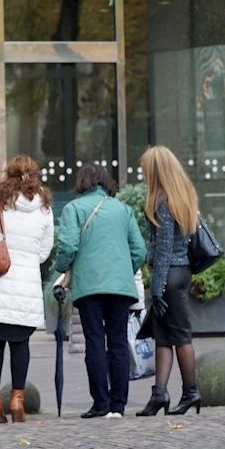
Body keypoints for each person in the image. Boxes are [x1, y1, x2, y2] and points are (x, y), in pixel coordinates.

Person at [53, 164, 147, 419]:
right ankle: (119, 405)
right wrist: (121, 270)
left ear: (81, 182)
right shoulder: (123, 210)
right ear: (106, 182)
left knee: (95, 341)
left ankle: (100, 403)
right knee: (117, 341)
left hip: (89, 286)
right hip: (120, 287)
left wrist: (61, 268)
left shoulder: (73, 208)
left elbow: (68, 245)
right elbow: (139, 250)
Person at [0, 155, 53, 424]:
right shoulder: (44, 206)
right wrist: (27, 260)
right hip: (26, 285)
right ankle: (17, 403)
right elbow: (44, 250)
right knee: (21, 344)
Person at [136, 145, 202, 417]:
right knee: (163, 336)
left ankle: (191, 392)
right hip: (181, 270)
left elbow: (163, 249)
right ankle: (159, 393)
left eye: (145, 170)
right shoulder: (182, 195)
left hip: (170, 274)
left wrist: (158, 288)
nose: (143, 175)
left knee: (179, 336)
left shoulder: (162, 201)